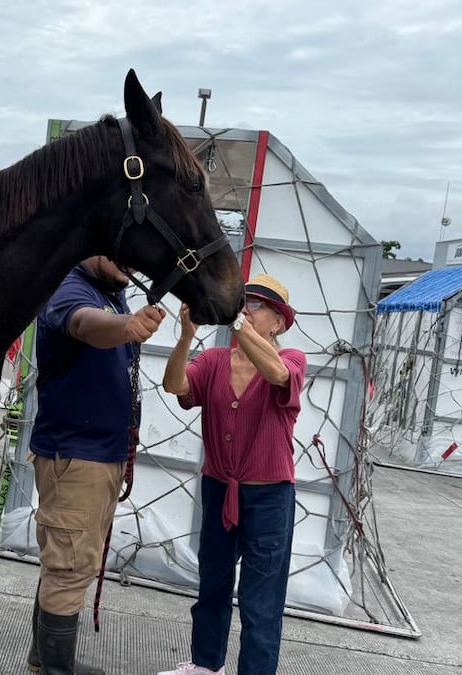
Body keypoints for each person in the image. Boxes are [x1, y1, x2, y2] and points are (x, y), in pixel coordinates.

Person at [157, 274, 306, 675]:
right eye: (245, 301)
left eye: (256, 305)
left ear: (279, 322)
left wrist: (234, 319)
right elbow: (175, 384)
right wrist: (186, 337)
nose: (247, 309)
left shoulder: (292, 359)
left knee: (261, 601)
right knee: (213, 585)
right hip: (220, 487)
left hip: (270, 497)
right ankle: (206, 666)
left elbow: (277, 374)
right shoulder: (215, 360)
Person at [25, 256, 166, 675]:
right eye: (112, 246)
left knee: (68, 562)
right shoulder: (69, 286)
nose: (128, 259)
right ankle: (55, 671)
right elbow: (84, 324)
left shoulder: (111, 291)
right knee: (70, 567)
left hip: (98, 455)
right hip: (76, 457)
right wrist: (125, 327)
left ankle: (43, 660)